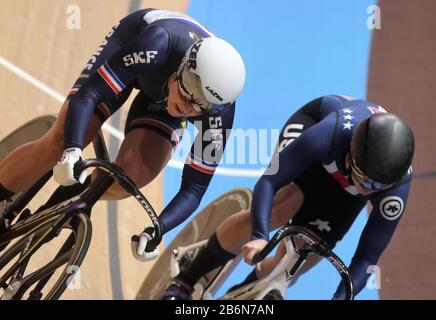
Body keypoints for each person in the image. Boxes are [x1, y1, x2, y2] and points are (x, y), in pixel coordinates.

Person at [0, 9, 245, 261]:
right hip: (136, 48)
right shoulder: (159, 42)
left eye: (201, 106)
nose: (189, 107)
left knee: (130, 176)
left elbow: (193, 190)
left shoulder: (219, 115)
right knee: (60, 142)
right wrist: (72, 149)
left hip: (164, 88)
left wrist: (157, 229)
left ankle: (59, 209)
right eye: (189, 91)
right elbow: (89, 95)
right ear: (184, 66)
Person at [162, 95, 415, 300]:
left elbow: (367, 257)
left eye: (376, 187)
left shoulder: (397, 187)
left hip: (344, 176)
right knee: (280, 208)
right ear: (353, 156)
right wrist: (260, 237)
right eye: (364, 180)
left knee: (309, 251)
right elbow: (269, 182)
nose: (368, 189)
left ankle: (242, 295)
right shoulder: (329, 134)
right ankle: (186, 277)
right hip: (313, 128)